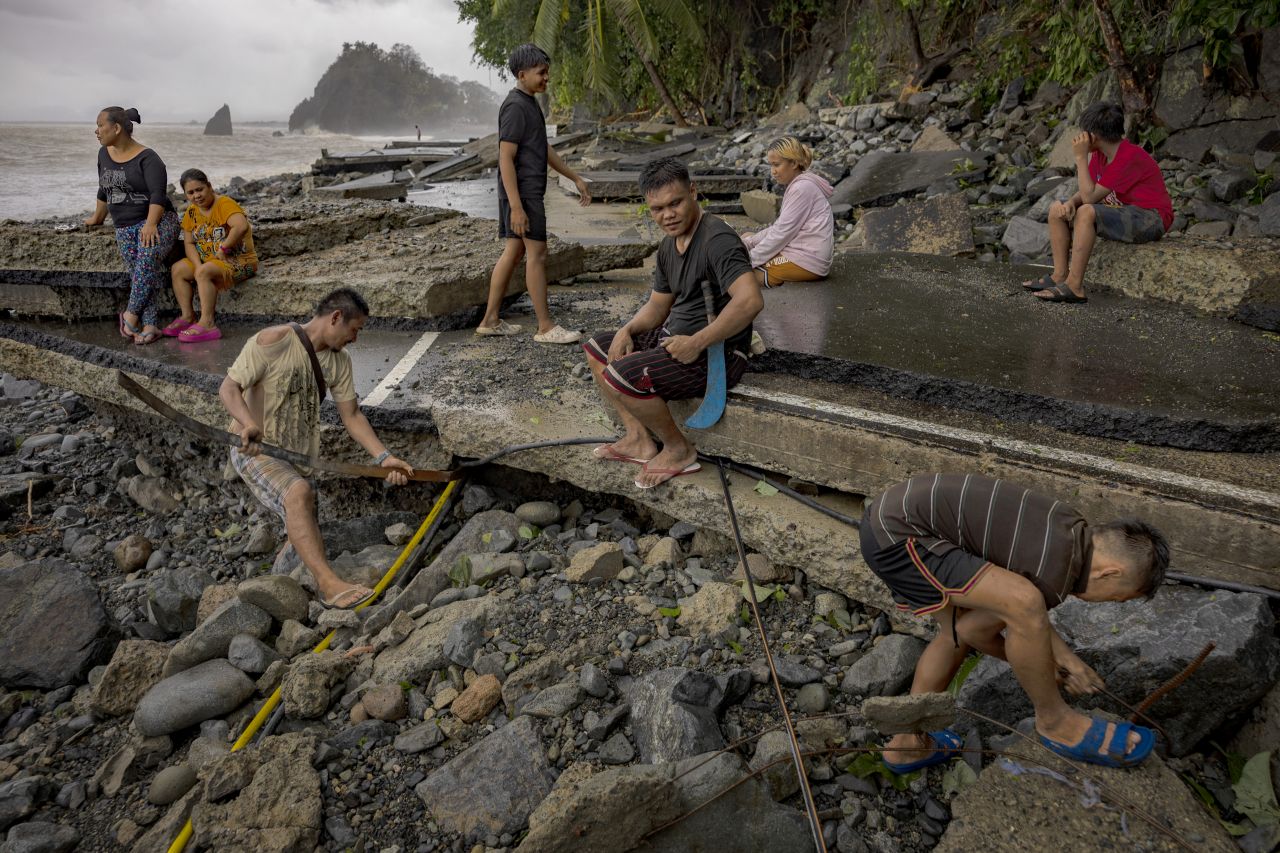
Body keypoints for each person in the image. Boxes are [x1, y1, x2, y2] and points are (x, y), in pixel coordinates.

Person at [861, 473, 1169, 771]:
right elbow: (1016, 614)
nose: (1111, 603)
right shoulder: (1056, 568)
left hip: (895, 520)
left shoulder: (1068, 530)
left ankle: (907, 746)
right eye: (1119, 599)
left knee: (954, 634)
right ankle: (1055, 721)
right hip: (901, 534)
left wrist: (1055, 660)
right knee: (1024, 602)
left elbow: (971, 630)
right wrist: (1046, 665)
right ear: (1110, 574)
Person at [219, 288, 414, 610]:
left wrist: (384, 457)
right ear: (336, 318)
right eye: (355, 329)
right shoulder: (274, 341)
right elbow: (228, 388)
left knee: (304, 518)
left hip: (298, 460)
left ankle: (285, 584)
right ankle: (329, 585)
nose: (355, 338)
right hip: (257, 450)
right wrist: (247, 423)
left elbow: (351, 415)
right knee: (297, 496)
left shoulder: (340, 362)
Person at [583, 158, 763, 489]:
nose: (668, 215)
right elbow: (657, 306)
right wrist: (627, 330)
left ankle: (678, 449)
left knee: (622, 375)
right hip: (674, 340)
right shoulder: (668, 246)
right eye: (657, 208)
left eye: (675, 203)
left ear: (693, 192)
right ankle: (639, 438)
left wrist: (697, 342)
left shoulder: (717, 240)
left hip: (717, 354)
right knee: (599, 349)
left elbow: (750, 300)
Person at [475, 43, 592, 344]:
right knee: (537, 254)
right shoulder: (515, 107)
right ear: (522, 74)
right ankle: (545, 327)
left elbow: (543, 147)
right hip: (523, 195)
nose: (546, 78)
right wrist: (516, 206)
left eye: (547, 73)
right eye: (541, 73)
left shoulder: (528, 103)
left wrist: (574, 177)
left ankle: (490, 320)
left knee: (514, 252)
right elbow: (504, 158)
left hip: (523, 194)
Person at [1025, 102, 1173, 304]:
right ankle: (1060, 275)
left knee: (1086, 211)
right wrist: (1069, 202)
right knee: (1056, 209)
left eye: (1083, 132)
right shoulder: (1101, 155)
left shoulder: (1128, 157)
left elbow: (1089, 198)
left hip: (1150, 217)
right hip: (1123, 211)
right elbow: (1090, 189)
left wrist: (1079, 157)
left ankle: (1074, 287)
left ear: (1092, 136)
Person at [83, 106, 179, 345]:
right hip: (124, 225)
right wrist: (97, 218)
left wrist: (150, 224)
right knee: (139, 274)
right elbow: (104, 187)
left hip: (159, 220)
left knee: (146, 262)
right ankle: (150, 325)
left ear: (116, 128)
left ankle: (129, 314)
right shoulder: (103, 154)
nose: (96, 131)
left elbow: (158, 194)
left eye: (100, 125)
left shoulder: (149, 158)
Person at [165, 169, 259, 343]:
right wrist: (197, 265)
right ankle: (188, 317)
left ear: (209, 186)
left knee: (203, 272)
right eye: (191, 193)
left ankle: (207, 323)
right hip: (209, 262)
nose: (196, 196)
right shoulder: (191, 212)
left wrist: (224, 248)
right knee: (178, 269)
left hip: (239, 262)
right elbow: (189, 243)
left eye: (200, 190)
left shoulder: (224, 204)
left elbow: (241, 226)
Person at [741, 137, 835, 288]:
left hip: (808, 260)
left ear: (794, 163)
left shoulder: (801, 189)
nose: (773, 171)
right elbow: (780, 228)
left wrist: (748, 259)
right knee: (747, 237)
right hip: (805, 252)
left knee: (740, 275)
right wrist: (749, 243)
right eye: (771, 165)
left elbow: (782, 234)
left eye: (777, 165)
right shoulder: (800, 185)